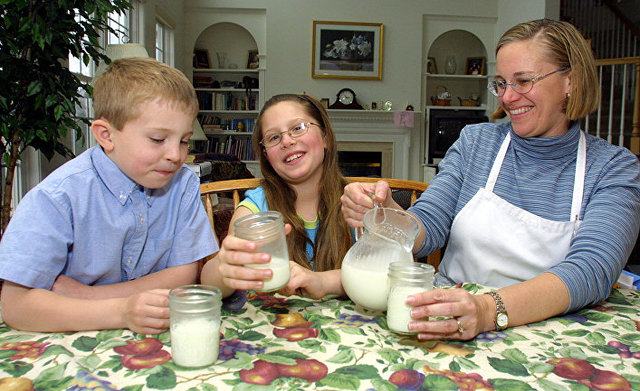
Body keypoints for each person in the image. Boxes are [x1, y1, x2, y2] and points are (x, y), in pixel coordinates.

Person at [341, 19, 640, 340]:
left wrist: (486, 309)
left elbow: (591, 270)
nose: (508, 98)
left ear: (571, 81)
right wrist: (386, 216)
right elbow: (430, 226)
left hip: (551, 332)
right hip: (449, 312)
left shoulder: (612, 167)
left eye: (523, 81)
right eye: (500, 83)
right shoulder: (476, 143)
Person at [0, 57, 218, 334]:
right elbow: (16, 307)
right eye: (157, 139)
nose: (175, 155)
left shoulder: (182, 183)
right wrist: (122, 311)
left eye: (184, 141)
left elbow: (183, 275)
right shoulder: (56, 197)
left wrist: (89, 296)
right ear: (106, 135)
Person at [201, 94, 351, 299]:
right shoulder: (254, 209)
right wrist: (223, 266)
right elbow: (212, 284)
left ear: (325, 137)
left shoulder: (355, 202)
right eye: (273, 137)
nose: (287, 141)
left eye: (298, 128)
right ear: (266, 156)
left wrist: (323, 281)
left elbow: (384, 276)